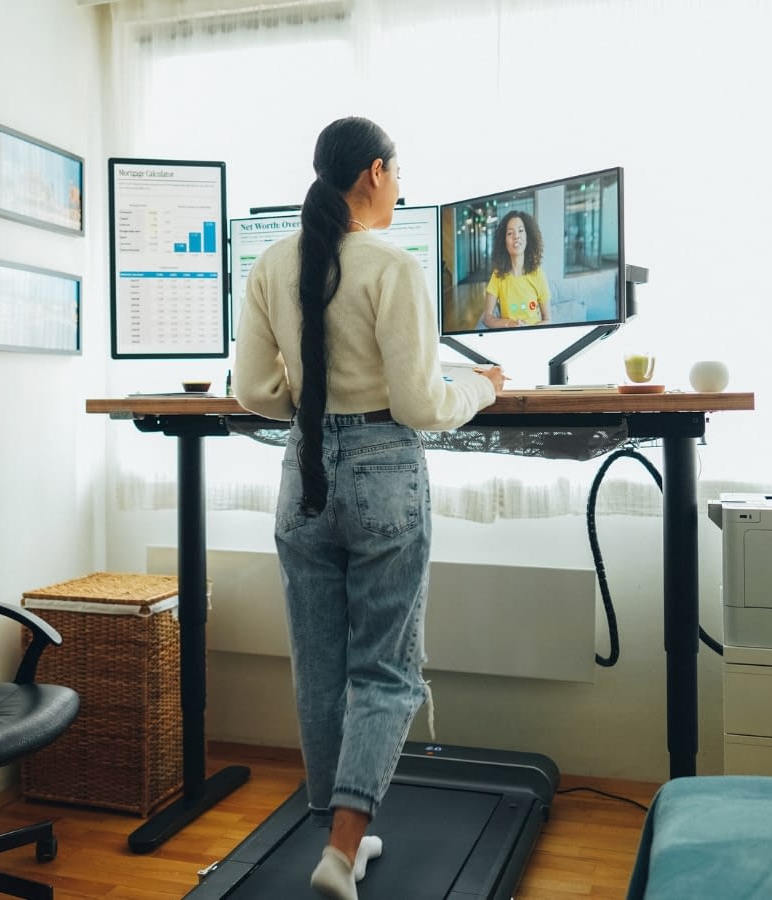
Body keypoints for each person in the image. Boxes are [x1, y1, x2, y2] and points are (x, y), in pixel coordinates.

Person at [233, 116, 506, 900]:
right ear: (376, 175)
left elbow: (254, 391)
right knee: (385, 671)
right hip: (384, 470)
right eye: (398, 174)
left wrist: (311, 402)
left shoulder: (270, 262)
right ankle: (342, 850)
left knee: (320, 671)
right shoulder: (391, 262)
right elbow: (422, 403)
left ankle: (337, 835)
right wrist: (484, 386)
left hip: (304, 471)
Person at [479, 209, 552, 327]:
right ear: (504, 242)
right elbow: (487, 317)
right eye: (510, 233)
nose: (516, 236)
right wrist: (509, 324)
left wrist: (528, 329)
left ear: (528, 237)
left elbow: (548, 320)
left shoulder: (538, 274)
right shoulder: (497, 275)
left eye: (521, 231)